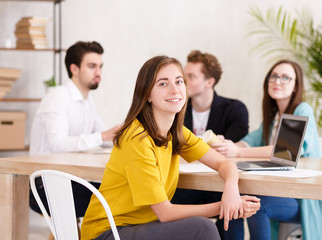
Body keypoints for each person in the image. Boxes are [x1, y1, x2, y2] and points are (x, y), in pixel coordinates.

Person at [81, 56, 260, 240]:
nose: (175, 90)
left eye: (179, 81)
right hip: (107, 232)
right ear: (147, 94)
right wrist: (225, 206)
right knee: (203, 229)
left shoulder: (177, 133)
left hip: (141, 226)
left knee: (202, 227)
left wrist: (231, 189)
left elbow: (224, 163)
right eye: (163, 84)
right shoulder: (137, 139)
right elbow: (165, 213)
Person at [212, 59, 322, 239]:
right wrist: (227, 145)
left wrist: (238, 152)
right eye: (274, 76)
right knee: (235, 199)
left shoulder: (302, 110)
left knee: (258, 205)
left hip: (303, 199)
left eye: (285, 78)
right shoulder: (273, 119)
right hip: (278, 191)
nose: (277, 81)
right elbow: (248, 142)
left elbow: (286, 151)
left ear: (296, 86)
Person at [29, 41, 120, 217]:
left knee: (120, 191)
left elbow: (106, 138)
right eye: (92, 66)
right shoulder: (58, 97)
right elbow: (57, 144)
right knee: (115, 198)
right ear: (74, 69)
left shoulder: (87, 102)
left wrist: (128, 139)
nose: (98, 72)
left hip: (70, 179)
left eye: (100, 66)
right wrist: (103, 136)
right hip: (43, 187)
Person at [171, 50, 249, 239]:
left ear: (210, 82)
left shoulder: (234, 109)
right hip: (183, 184)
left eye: (190, 76)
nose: (183, 81)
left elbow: (228, 149)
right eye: (183, 76)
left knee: (236, 204)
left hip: (217, 183)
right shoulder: (174, 107)